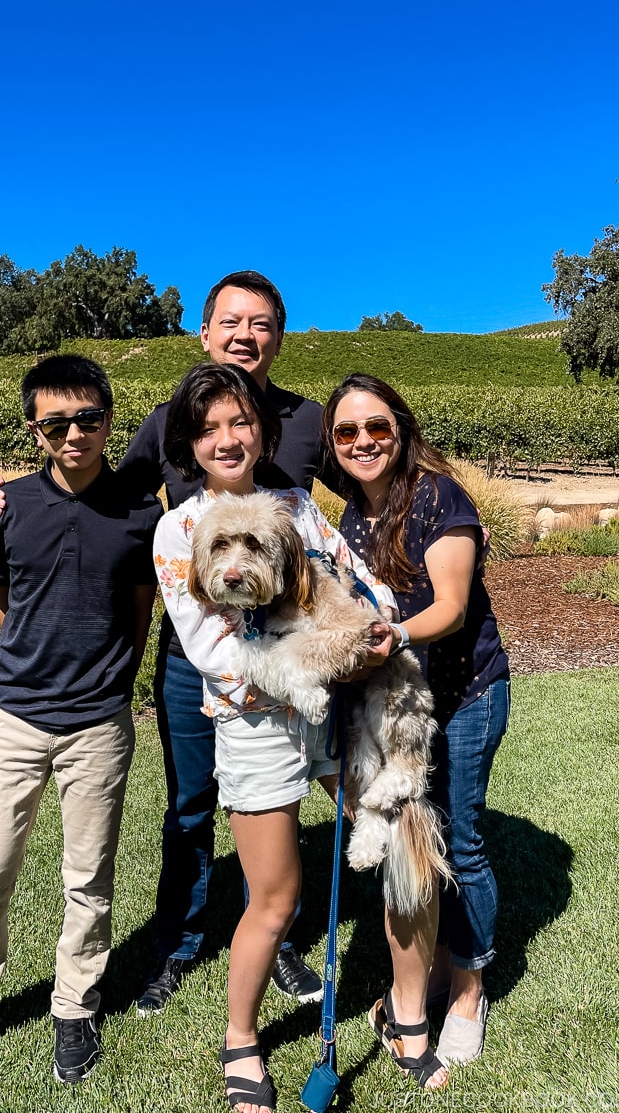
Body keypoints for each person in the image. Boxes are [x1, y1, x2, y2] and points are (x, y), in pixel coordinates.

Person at [0, 271, 337, 1014]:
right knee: (191, 807)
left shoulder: (305, 421)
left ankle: (278, 939)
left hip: (289, 651)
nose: (245, 334)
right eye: (230, 320)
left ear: (279, 337)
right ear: (203, 333)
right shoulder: (171, 419)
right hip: (192, 655)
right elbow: (109, 499)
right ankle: (179, 942)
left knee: (277, 798)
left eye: (261, 323)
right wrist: (6, 502)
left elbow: (368, 481)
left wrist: (439, 508)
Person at [0, 355, 162, 1090]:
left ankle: (75, 1006)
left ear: (110, 419)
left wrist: (114, 680)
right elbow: (0, 596)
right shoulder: (9, 504)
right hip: (15, 721)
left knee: (88, 880)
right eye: (56, 422)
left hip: (98, 727)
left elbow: (142, 607)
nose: (74, 433)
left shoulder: (140, 510)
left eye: (88, 418)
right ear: (36, 429)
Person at [154, 362, 394, 1113]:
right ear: (190, 443)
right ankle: (240, 1037)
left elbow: (350, 577)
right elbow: (217, 655)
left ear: (262, 430)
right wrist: (318, 665)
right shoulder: (179, 529)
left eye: (240, 423)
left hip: (331, 697)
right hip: (259, 723)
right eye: (209, 428)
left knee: (391, 823)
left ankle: (415, 997)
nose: (227, 440)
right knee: (277, 897)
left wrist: (377, 626)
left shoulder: (295, 502)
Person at [321, 373, 510, 1077]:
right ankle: (420, 983)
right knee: (409, 837)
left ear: (400, 428)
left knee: (460, 842)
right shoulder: (348, 519)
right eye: (347, 432)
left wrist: (390, 638)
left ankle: (467, 992)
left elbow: (452, 607)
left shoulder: (437, 495)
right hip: (394, 706)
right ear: (333, 447)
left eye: (377, 427)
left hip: (462, 695)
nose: (363, 441)